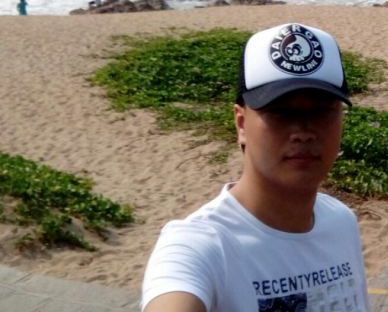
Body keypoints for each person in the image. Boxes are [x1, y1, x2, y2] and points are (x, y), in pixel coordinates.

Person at [141, 23, 370, 312]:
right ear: (241, 124)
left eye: (322, 111)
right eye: (280, 112)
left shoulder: (341, 222)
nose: (303, 132)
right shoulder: (203, 246)